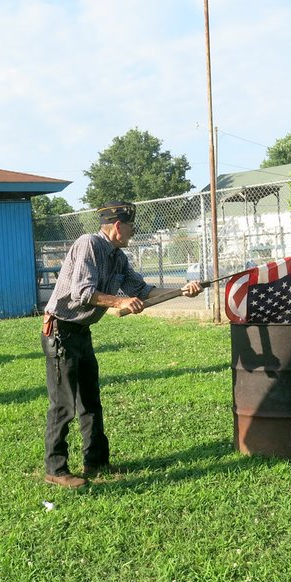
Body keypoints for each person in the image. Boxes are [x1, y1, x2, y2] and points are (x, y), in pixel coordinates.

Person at [41, 201, 204, 488]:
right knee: (63, 403)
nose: (133, 232)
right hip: (60, 331)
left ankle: (97, 461)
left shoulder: (117, 256)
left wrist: (182, 291)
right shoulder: (88, 244)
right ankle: (55, 469)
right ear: (118, 226)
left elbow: (142, 291)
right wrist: (120, 301)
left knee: (90, 400)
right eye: (131, 226)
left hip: (81, 332)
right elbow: (83, 292)